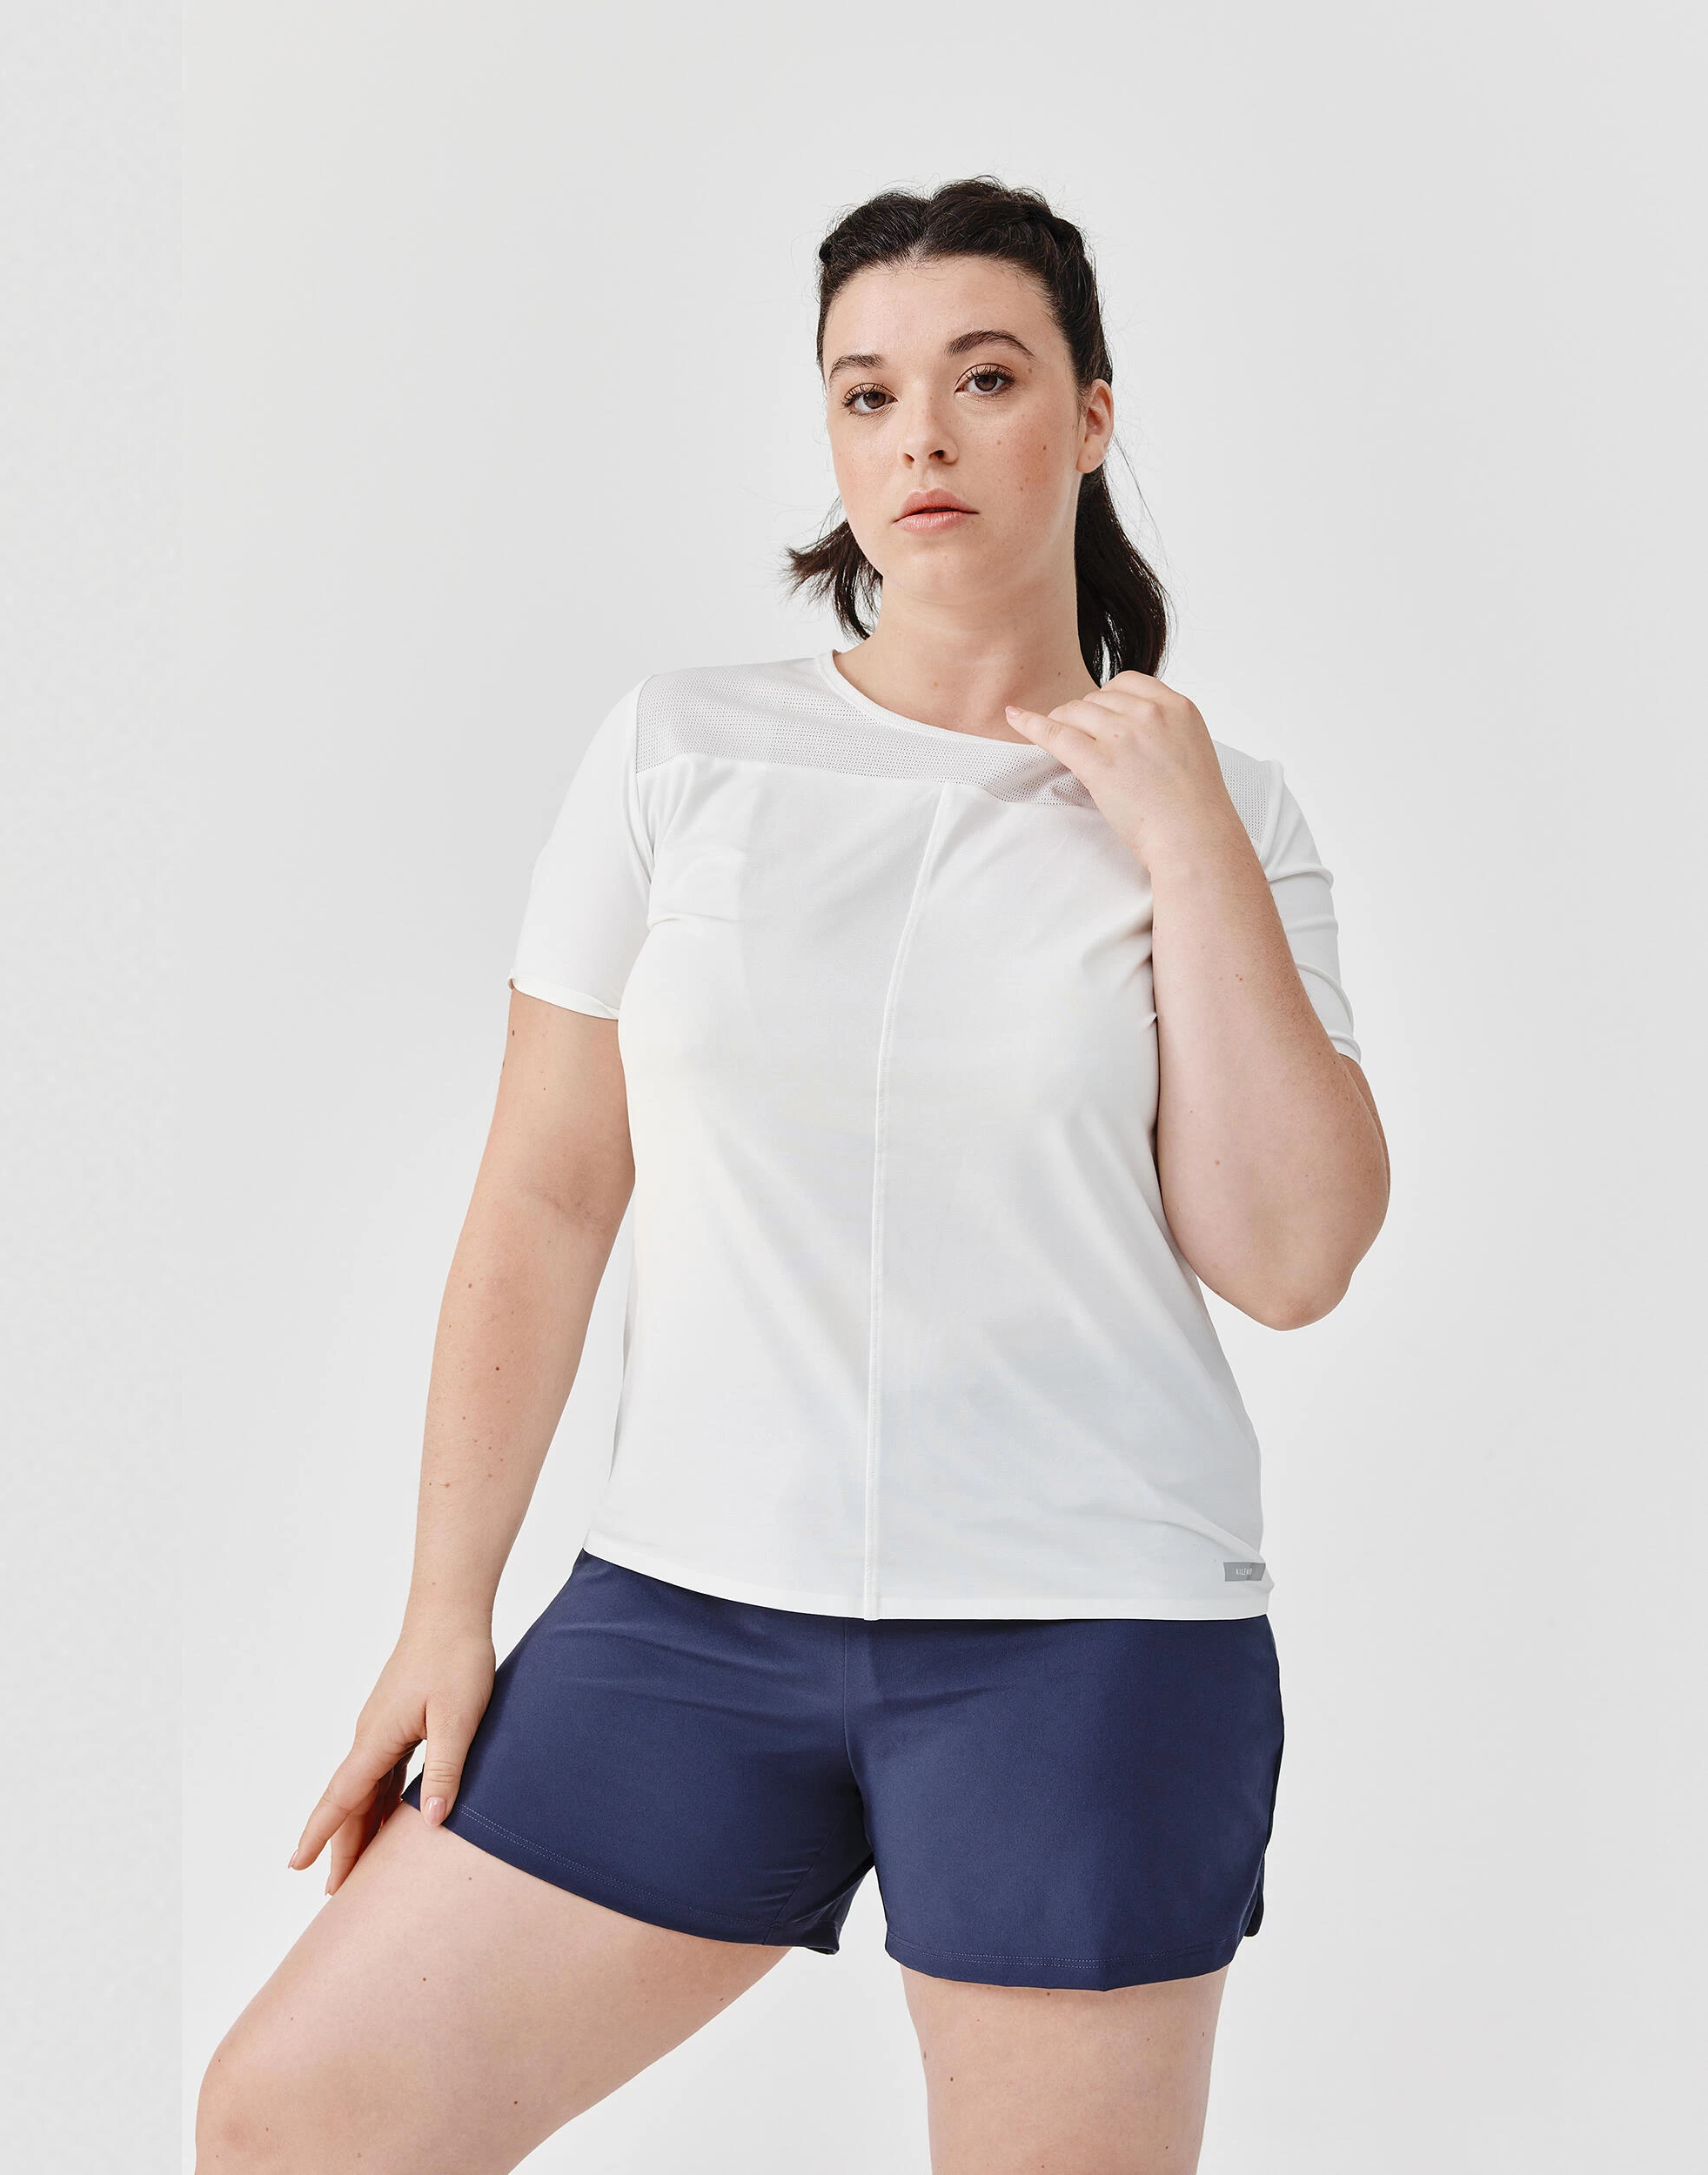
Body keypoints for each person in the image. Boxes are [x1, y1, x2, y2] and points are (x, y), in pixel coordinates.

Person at [196, 175, 1390, 2173]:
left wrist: (1176, 827)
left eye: (982, 377)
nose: (919, 435)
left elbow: (1287, 1253)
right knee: (296, 2113)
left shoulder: (1225, 811)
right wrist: (441, 1604)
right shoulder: (678, 753)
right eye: (864, 391)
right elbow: (547, 1193)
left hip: (1083, 1634)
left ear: (1088, 415)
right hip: (685, 1616)